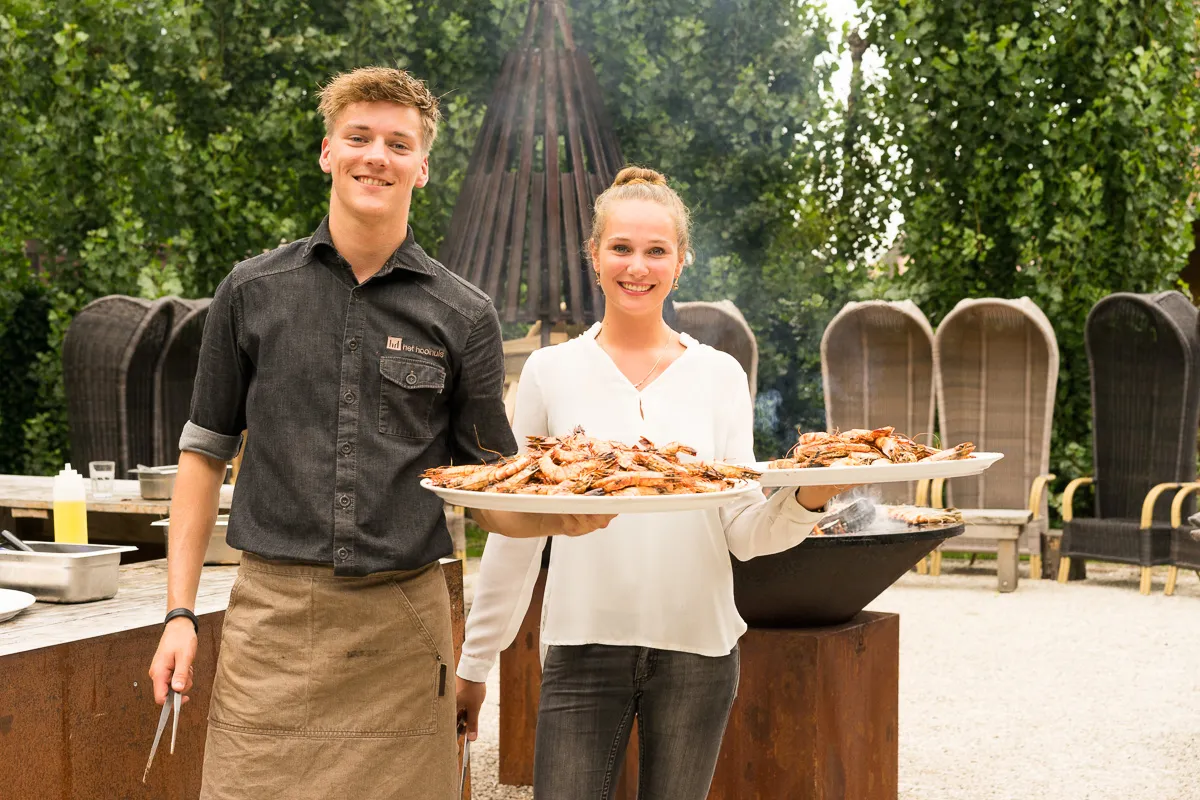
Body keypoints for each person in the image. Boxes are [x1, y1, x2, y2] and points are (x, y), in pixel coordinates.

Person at [147, 66, 609, 800]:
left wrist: (572, 515)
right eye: (358, 137)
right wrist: (178, 615)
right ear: (328, 151)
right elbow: (203, 455)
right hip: (271, 622)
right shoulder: (252, 291)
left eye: (398, 143)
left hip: (402, 629)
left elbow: (489, 493)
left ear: (422, 167)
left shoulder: (463, 316)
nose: (376, 156)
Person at [455, 166, 847, 799]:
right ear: (595, 254)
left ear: (681, 261)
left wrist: (809, 497)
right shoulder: (550, 373)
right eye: (622, 248)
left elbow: (743, 532)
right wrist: (477, 662)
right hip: (582, 646)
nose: (637, 266)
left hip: (699, 649)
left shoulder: (719, 375)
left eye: (656, 250)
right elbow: (517, 529)